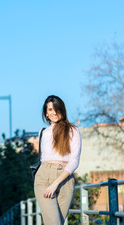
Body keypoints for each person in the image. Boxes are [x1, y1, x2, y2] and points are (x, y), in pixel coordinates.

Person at [34, 95, 82, 225]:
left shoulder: (73, 131)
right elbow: (43, 158)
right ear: (46, 114)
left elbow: (74, 161)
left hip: (64, 178)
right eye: (50, 110)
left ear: (62, 110)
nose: (54, 112)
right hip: (43, 177)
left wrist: (55, 183)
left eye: (56, 109)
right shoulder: (42, 132)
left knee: (58, 222)